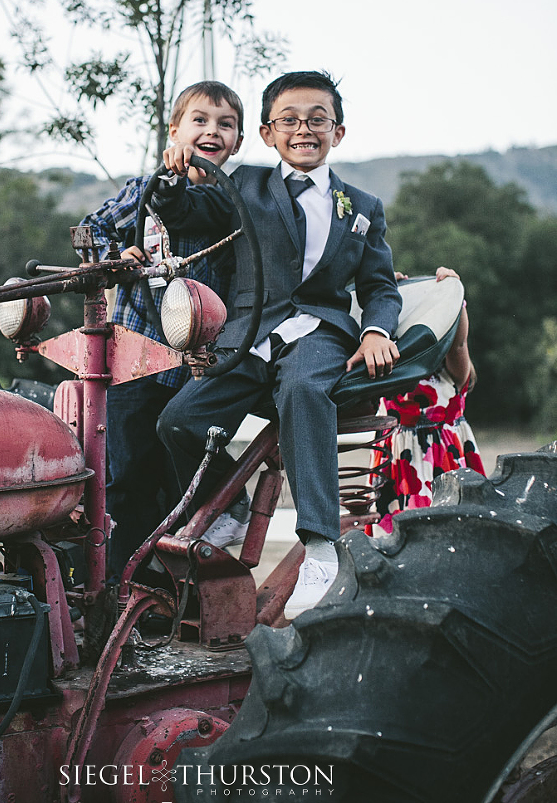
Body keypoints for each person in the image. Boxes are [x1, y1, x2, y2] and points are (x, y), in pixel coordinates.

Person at [156, 69, 402, 618]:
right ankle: (231, 513)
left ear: (337, 132)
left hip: (320, 332)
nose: (304, 129)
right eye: (288, 120)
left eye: (318, 119)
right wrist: (172, 181)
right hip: (249, 334)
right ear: (269, 134)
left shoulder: (362, 206)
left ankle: (320, 544)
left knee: (305, 391)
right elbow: (188, 212)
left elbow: (380, 287)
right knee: (178, 420)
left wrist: (375, 329)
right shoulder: (245, 184)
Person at [81, 81, 243, 576]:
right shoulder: (145, 190)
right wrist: (115, 256)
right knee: (126, 469)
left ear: (238, 141)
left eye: (225, 124)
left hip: (196, 360)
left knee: (183, 463)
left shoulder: (238, 204)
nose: (211, 131)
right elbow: (94, 230)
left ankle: (190, 572)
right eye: (199, 120)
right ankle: (124, 581)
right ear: (174, 131)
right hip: (136, 352)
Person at [370, 266, 484, 535]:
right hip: (397, 464)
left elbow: (458, 345)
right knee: (396, 539)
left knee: (451, 534)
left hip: (442, 462)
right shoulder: (390, 372)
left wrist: (455, 297)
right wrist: (381, 298)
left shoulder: (452, 376)